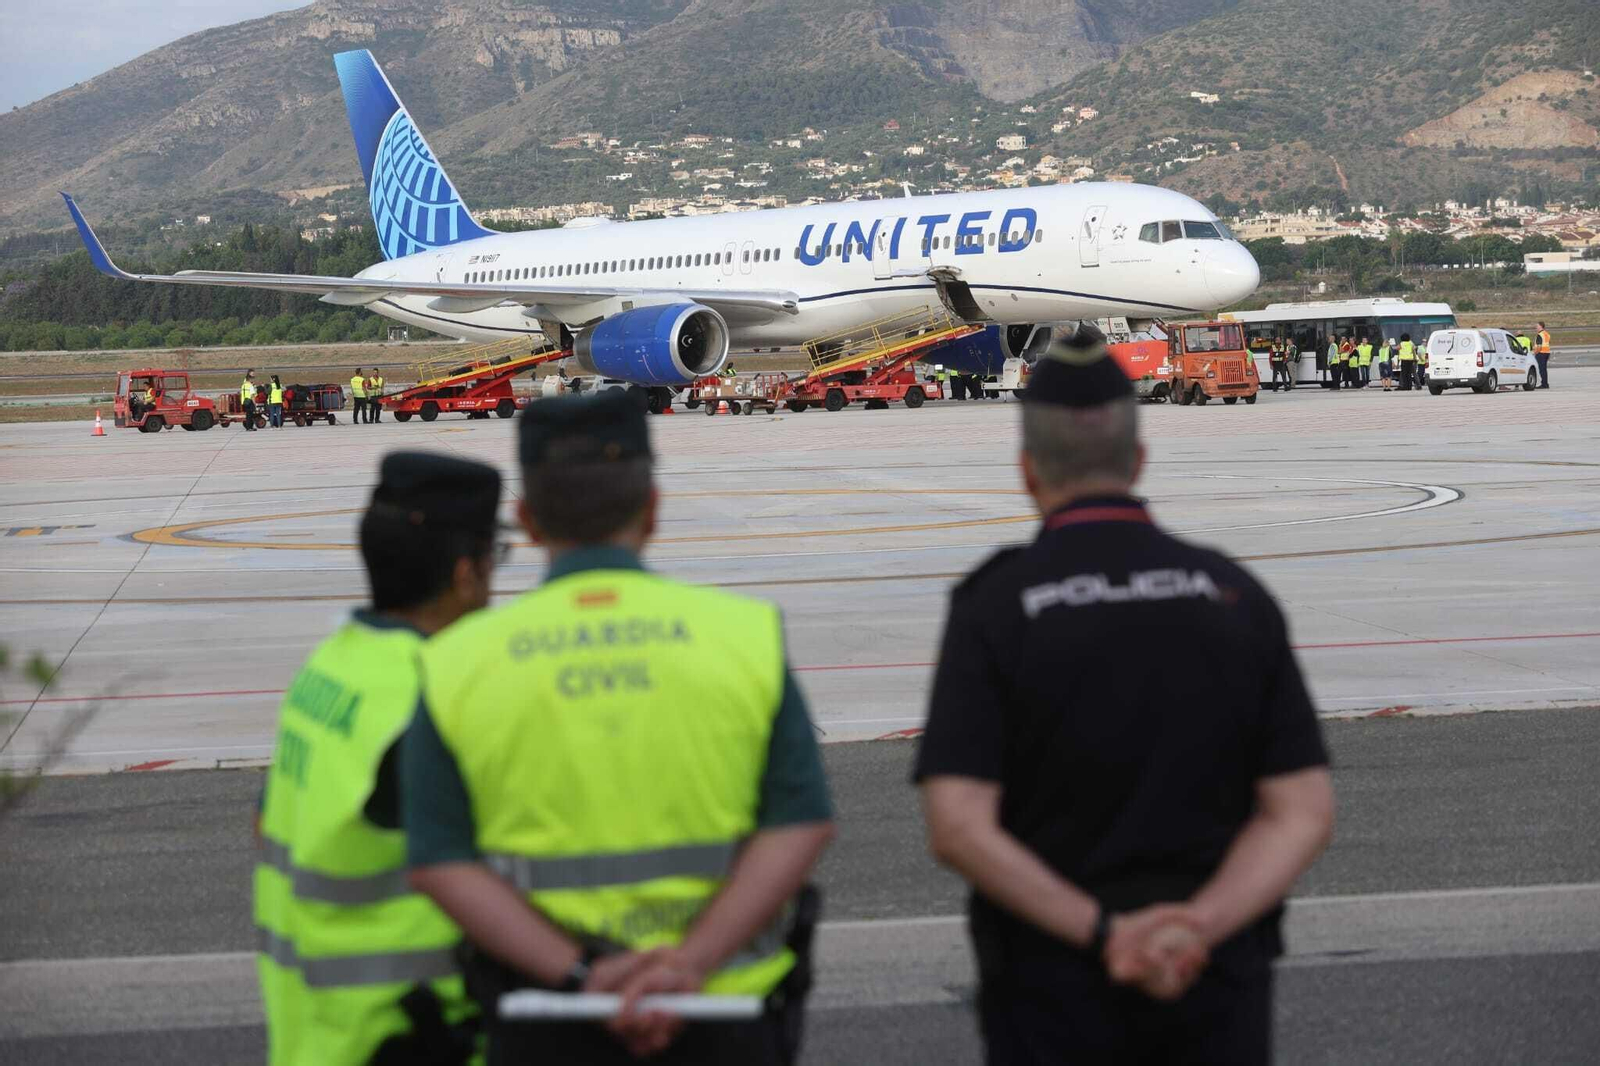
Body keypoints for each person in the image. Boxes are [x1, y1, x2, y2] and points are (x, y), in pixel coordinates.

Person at [913, 324, 1335, 1065]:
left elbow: (958, 827)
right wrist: (1198, 926)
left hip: (1055, 990)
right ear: (1138, 459)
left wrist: (1106, 935)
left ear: (1027, 470)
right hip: (1209, 983)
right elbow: (1301, 813)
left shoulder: (995, 608)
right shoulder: (1234, 595)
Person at [403, 391, 835, 1065]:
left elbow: (438, 861)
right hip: (722, 1014)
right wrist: (689, 965)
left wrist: (584, 976)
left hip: (545, 1018)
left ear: (526, 521)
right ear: (654, 509)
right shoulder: (743, 638)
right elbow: (801, 822)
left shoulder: (457, 662)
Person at [256, 451, 504, 1066]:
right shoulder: (429, 699)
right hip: (402, 1035)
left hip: (312, 1032)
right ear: (466, 574)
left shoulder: (327, 670)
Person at [1534, 321, 1552, 388]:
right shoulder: (1547, 334)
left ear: (1541, 326)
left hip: (1541, 353)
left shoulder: (1539, 335)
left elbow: (1539, 346)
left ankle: (1544, 384)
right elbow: (1548, 343)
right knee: (1544, 369)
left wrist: (1535, 353)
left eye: (1537, 326)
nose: (1536, 327)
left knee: (1542, 369)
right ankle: (1545, 383)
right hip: (1547, 353)